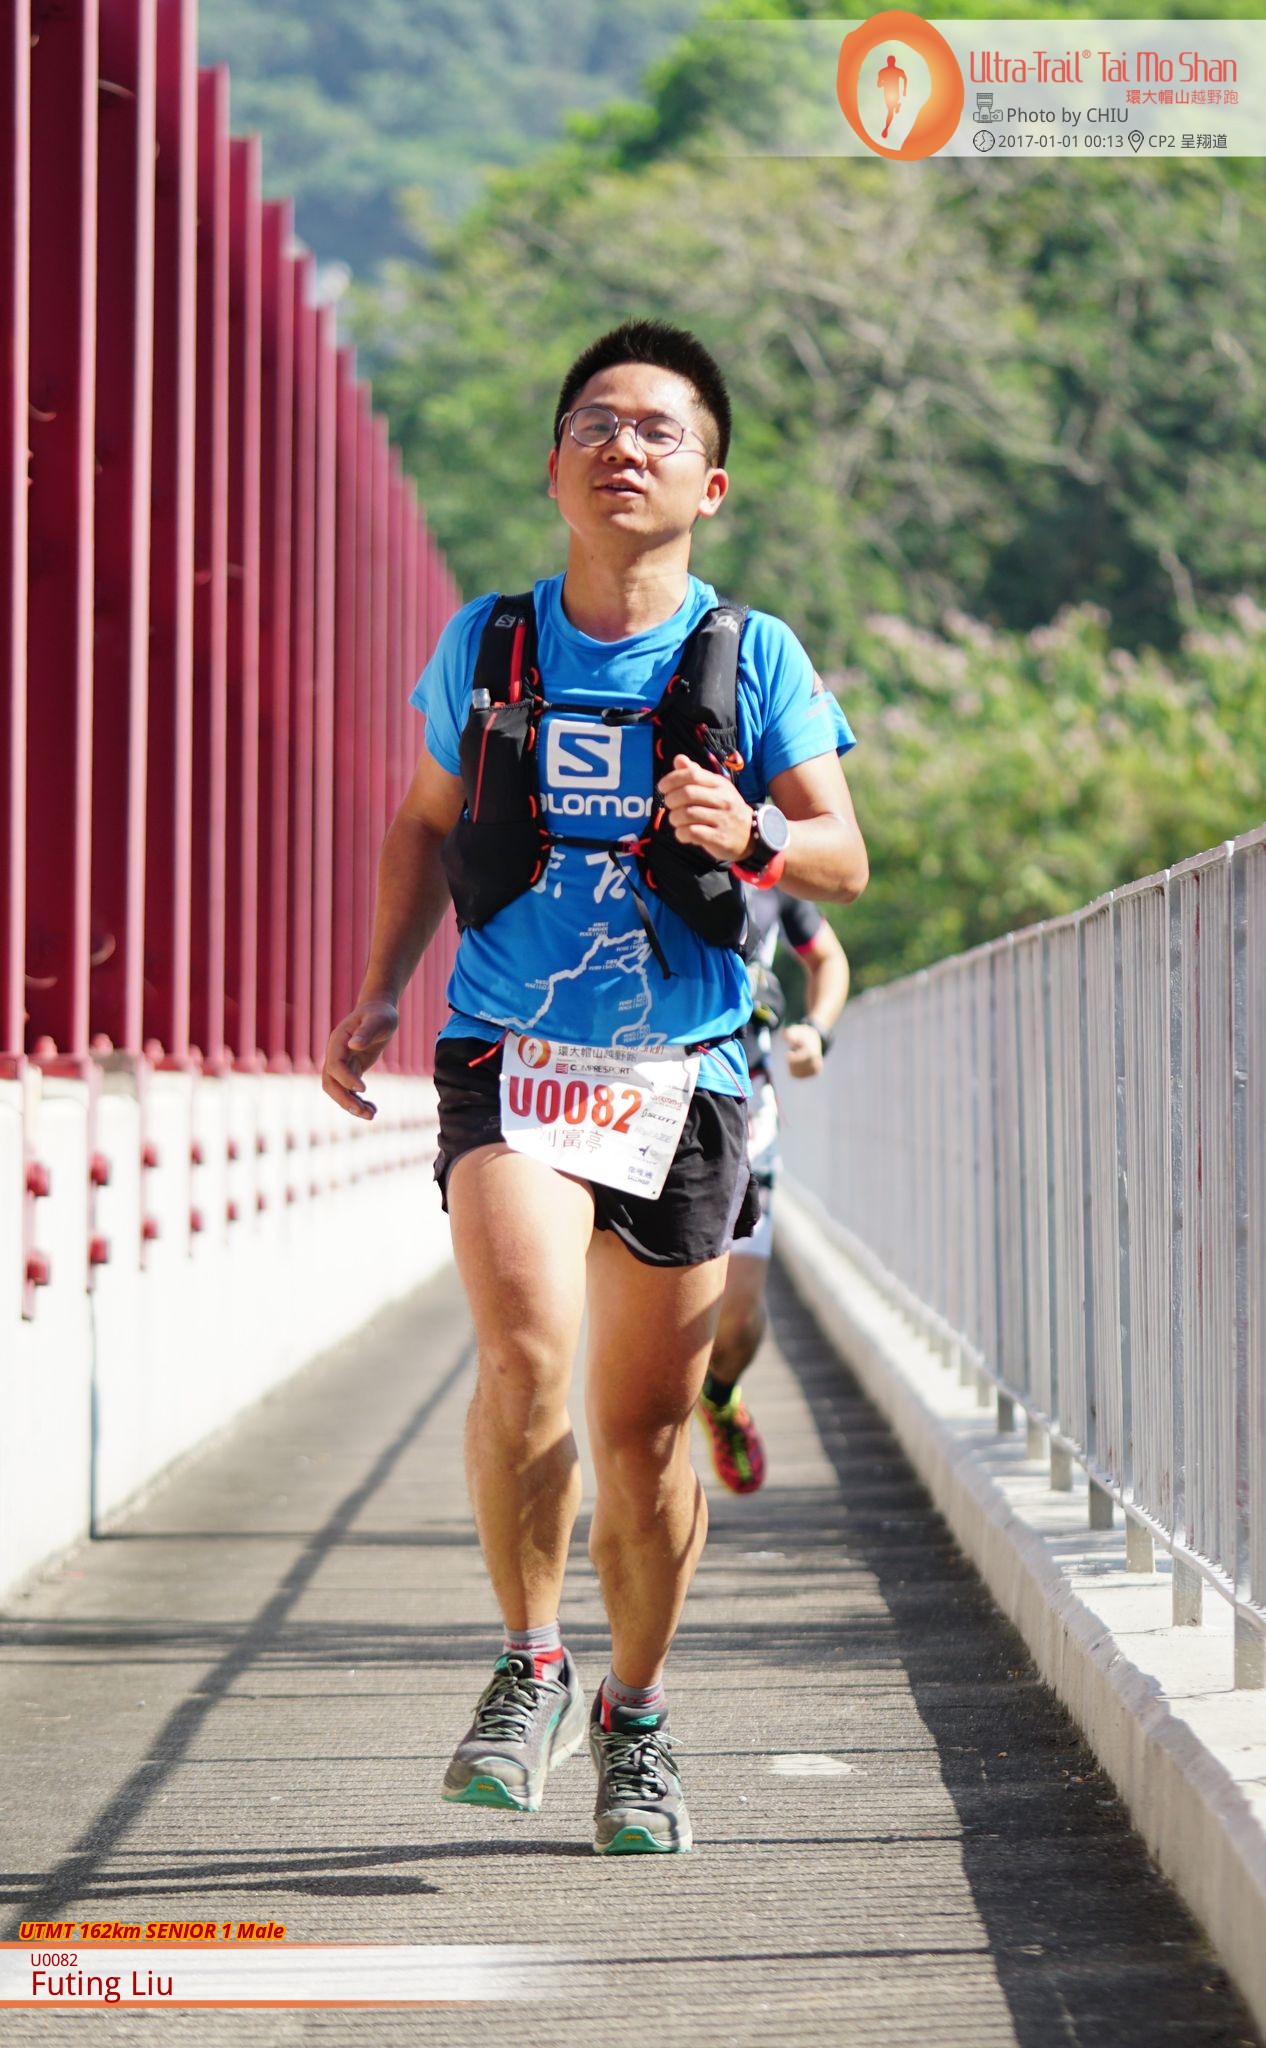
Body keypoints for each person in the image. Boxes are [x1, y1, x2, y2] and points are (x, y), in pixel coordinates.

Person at [321, 319, 868, 1856]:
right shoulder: (489, 644)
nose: (622, 447)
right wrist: (380, 988)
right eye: (593, 424)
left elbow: (843, 857)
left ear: (711, 485)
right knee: (521, 1357)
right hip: (511, 1054)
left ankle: (635, 1711)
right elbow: (423, 824)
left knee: (641, 1437)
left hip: (683, 1074)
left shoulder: (752, 657)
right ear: (551, 465)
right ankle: (529, 1664)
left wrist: (752, 833)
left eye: (657, 431)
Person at [696, 889, 849, 1494]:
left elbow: (828, 958)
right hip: (639, 1096)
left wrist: (817, 1031)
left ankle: (719, 1398)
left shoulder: (770, 868)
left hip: (746, 1103)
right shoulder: (630, 845)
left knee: (735, 1322)